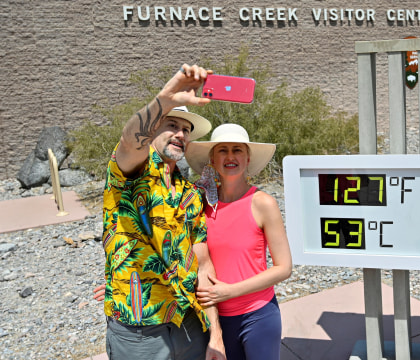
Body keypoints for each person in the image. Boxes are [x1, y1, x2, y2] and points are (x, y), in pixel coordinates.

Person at [97, 63, 226, 360]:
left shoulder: (191, 195)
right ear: (153, 130)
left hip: (190, 323)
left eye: (186, 130)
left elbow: (204, 266)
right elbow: (130, 141)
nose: (180, 134)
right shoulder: (130, 174)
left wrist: (215, 334)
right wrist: (166, 99)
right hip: (140, 331)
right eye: (172, 125)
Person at [185, 123, 292, 360]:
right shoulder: (200, 206)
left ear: (247, 158)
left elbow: (284, 268)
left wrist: (229, 291)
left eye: (237, 150)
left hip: (258, 317)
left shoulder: (263, 203)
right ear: (212, 159)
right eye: (222, 150)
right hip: (216, 320)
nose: (230, 156)